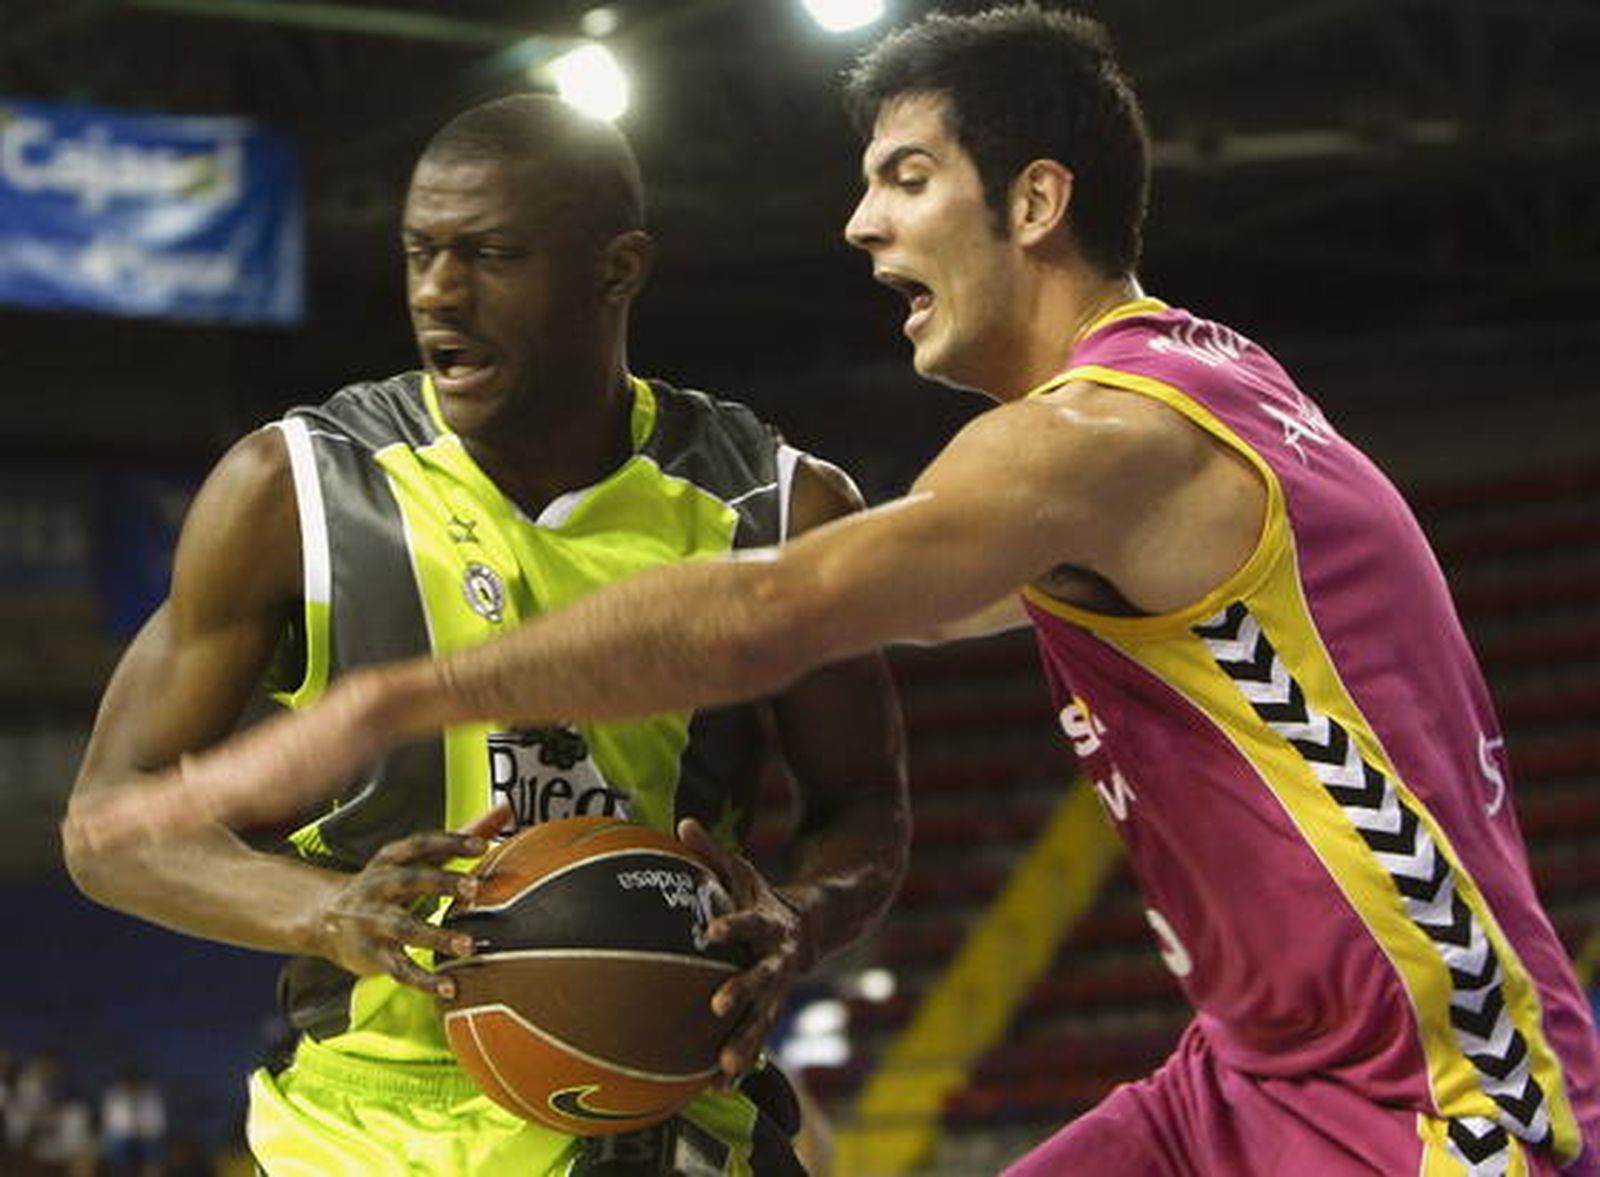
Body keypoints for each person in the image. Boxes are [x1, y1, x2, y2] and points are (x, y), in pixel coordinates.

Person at [66, 6, 1600, 1175]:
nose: (864, 225)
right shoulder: (1204, 387)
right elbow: (875, 610)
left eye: (907, 179)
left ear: (1037, 201)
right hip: (1251, 1077)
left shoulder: (1097, 437)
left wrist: (405, 694)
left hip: (1439, 1091)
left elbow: (769, 613)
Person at [63, 94, 909, 1176]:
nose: (436, 293)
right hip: (368, 1131)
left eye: (490, 254)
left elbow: (864, 804)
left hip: (659, 1109)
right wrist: (327, 912)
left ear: (618, 270)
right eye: (421, 252)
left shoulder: (775, 507)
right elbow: (109, 823)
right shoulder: (293, 490)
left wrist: (796, 913)